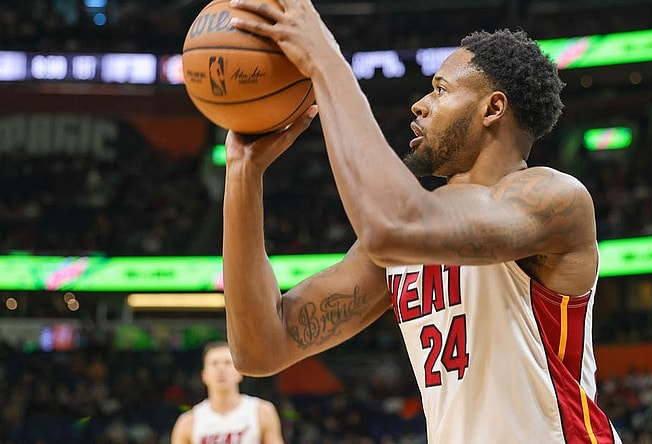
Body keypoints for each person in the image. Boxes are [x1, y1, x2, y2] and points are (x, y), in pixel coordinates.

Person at [221, 0, 622, 442]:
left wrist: (326, 62)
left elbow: (392, 224)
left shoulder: (552, 199)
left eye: (441, 89)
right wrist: (243, 173)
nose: (419, 105)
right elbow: (259, 347)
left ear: (492, 109)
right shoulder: (403, 245)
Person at [170, 341, 285, 444]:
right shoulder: (188, 421)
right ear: (204, 376)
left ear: (240, 373)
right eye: (214, 364)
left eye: (227, 363)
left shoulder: (262, 411)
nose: (221, 369)